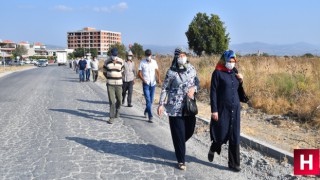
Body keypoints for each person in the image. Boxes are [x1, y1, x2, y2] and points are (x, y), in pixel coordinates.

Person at [157, 47, 199, 170]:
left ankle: (179, 143)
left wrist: (194, 89)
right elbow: (165, 88)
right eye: (180, 56)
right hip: (174, 108)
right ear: (176, 57)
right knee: (179, 134)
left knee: (190, 130)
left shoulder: (191, 68)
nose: (182, 57)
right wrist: (161, 104)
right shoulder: (171, 72)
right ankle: (181, 160)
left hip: (188, 106)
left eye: (184, 55)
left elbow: (197, 82)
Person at [208, 50, 243, 172]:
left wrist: (241, 81)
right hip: (222, 109)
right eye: (229, 61)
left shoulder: (235, 73)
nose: (231, 63)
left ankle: (234, 164)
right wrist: (214, 110)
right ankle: (213, 148)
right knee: (221, 133)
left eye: (233, 61)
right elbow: (213, 92)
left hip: (235, 108)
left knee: (234, 135)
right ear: (224, 60)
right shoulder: (217, 73)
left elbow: (239, 91)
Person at [138, 49, 161, 123]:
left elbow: (157, 71)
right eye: (147, 55)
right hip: (146, 84)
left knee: (151, 101)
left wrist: (159, 79)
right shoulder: (142, 62)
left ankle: (146, 111)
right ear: (146, 55)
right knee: (148, 100)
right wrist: (143, 79)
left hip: (153, 84)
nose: (148, 56)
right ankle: (150, 116)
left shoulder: (154, 62)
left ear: (151, 55)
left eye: (149, 55)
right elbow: (139, 73)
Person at [103, 48, 124, 124]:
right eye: (113, 55)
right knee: (112, 101)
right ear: (111, 54)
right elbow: (104, 72)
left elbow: (122, 71)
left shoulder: (121, 61)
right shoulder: (106, 62)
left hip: (119, 84)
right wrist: (110, 77)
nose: (114, 56)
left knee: (120, 100)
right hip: (110, 84)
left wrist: (117, 76)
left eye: (116, 55)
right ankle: (111, 117)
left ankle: (117, 110)